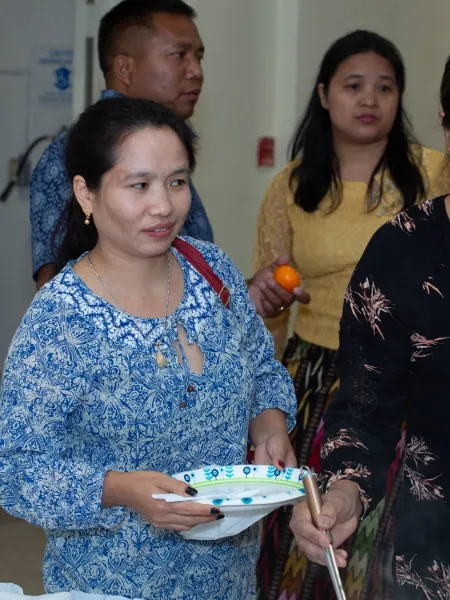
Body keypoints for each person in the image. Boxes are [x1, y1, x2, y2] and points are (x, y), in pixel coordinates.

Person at [0, 97, 297, 600]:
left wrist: (268, 424)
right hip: (109, 583)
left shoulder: (212, 272)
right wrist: (121, 489)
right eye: (139, 185)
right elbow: (17, 469)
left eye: (177, 182)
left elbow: (261, 368)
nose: (163, 205)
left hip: (226, 575)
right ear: (86, 193)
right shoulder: (61, 319)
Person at [254, 30, 450, 600]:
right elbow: (368, 408)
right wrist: (344, 490)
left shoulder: (423, 171)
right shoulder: (402, 246)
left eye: (384, 87)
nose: (369, 100)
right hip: (431, 538)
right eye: (354, 86)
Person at [30, 0, 213, 291]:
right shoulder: (70, 153)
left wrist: (245, 295)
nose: (196, 71)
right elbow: (55, 290)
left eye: (198, 57)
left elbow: (193, 281)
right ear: (125, 68)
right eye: (179, 55)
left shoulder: (168, 145)